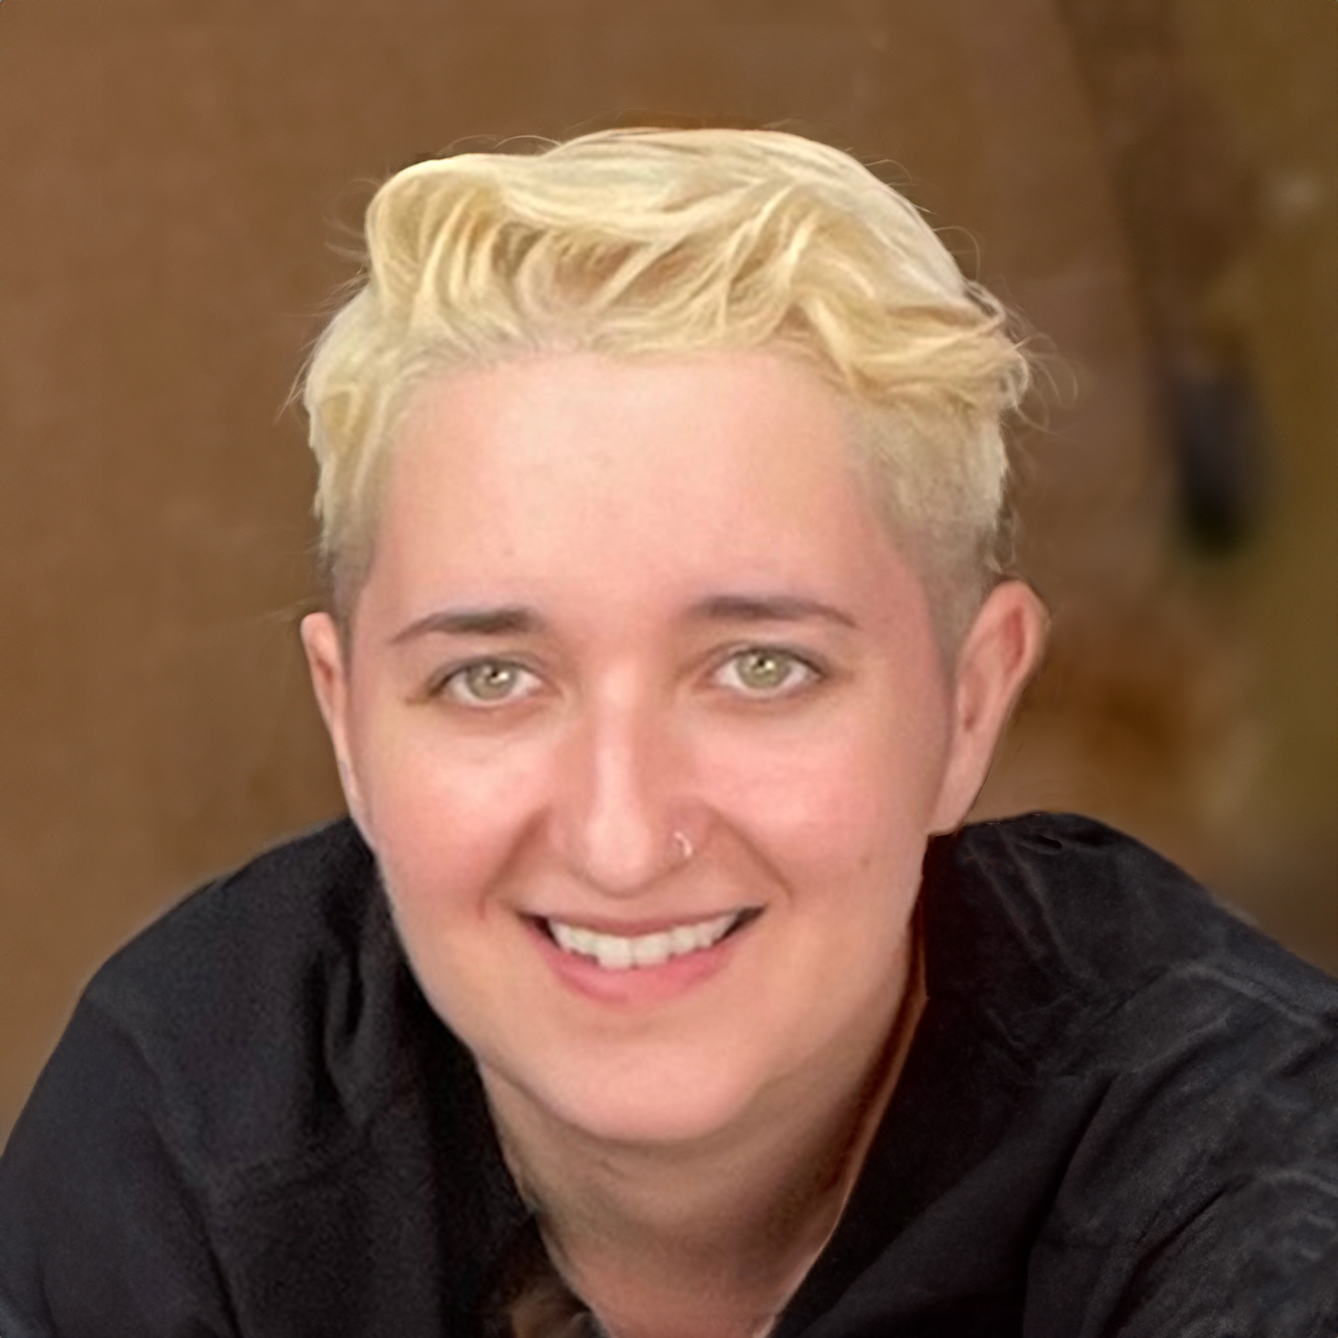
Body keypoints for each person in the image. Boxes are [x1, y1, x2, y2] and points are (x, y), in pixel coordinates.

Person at [0, 127, 1334, 1338]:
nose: (623, 837)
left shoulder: (1251, 1176)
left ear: (967, 705)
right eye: (489, 678)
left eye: (760, 667)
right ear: (346, 721)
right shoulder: (191, 1129)